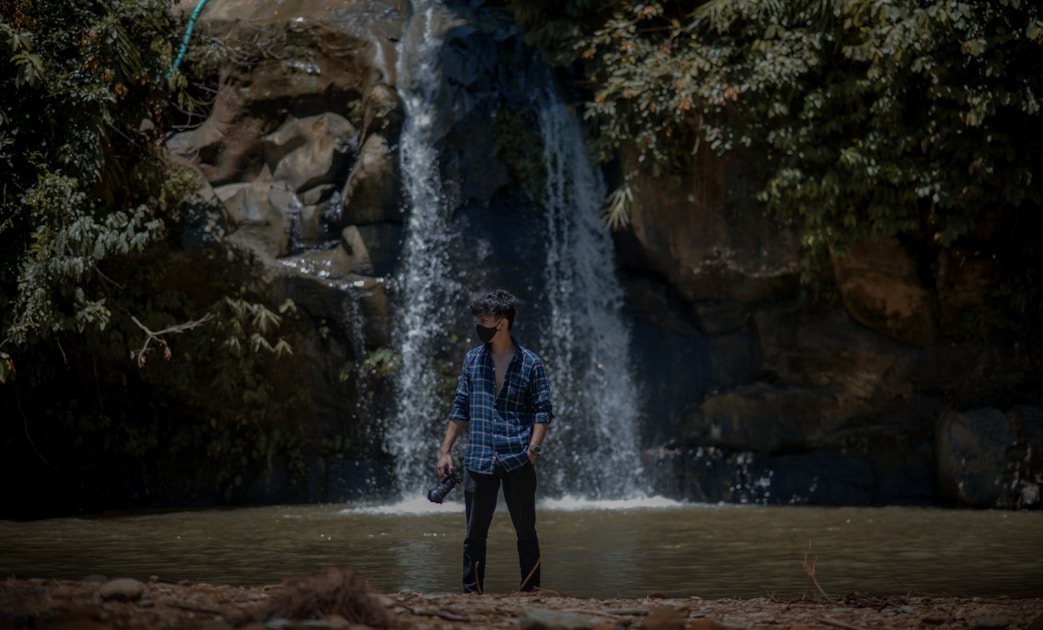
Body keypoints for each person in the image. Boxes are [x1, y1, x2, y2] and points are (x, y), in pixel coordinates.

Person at [436, 289, 553, 593]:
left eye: (484, 319)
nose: (479, 324)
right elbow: (460, 406)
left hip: (518, 456)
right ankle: (472, 595)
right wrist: (445, 450)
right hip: (479, 457)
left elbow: (543, 411)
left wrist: (533, 452)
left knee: (526, 532)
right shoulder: (473, 360)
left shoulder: (531, 363)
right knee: (474, 535)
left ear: (502, 323)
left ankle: (532, 592)